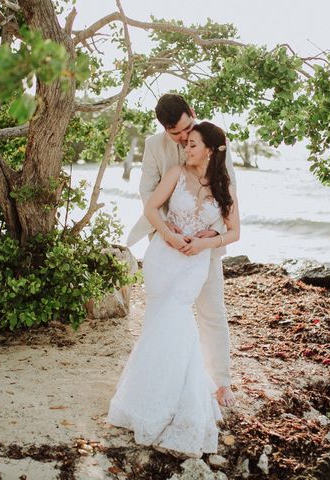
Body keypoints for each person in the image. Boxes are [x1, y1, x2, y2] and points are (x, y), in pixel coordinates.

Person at [107, 121, 240, 456]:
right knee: (158, 324)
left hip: (195, 261)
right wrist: (170, 236)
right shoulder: (176, 173)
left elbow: (234, 232)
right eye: (185, 143)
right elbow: (151, 208)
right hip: (164, 258)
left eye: (192, 144)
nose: (186, 148)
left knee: (179, 319)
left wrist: (207, 242)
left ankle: (182, 394)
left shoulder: (224, 184)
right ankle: (148, 395)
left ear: (210, 149)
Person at [127, 94, 237, 408]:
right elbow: (147, 192)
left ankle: (222, 381)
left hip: (206, 247)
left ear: (193, 113)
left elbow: (228, 190)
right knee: (162, 315)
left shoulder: (214, 139)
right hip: (166, 242)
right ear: (164, 129)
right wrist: (166, 229)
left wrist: (215, 233)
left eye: (186, 130)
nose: (183, 138)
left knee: (212, 312)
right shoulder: (154, 146)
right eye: (175, 134)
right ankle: (159, 380)